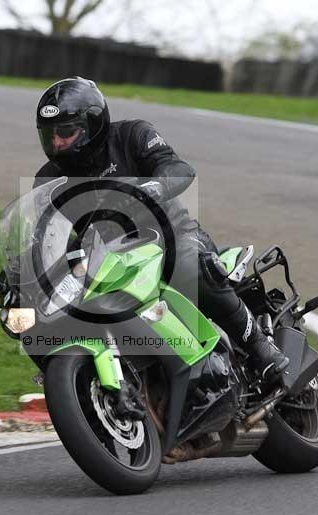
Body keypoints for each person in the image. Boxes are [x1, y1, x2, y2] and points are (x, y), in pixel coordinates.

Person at [32, 77, 289, 388]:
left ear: (93, 123)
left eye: (66, 132)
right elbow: (45, 233)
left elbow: (177, 168)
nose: (57, 143)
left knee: (187, 269)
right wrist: (25, 263)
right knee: (44, 311)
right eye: (50, 135)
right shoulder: (48, 180)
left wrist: (155, 185)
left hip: (170, 236)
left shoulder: (132, 135)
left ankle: (260, 348)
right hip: (111, 263)